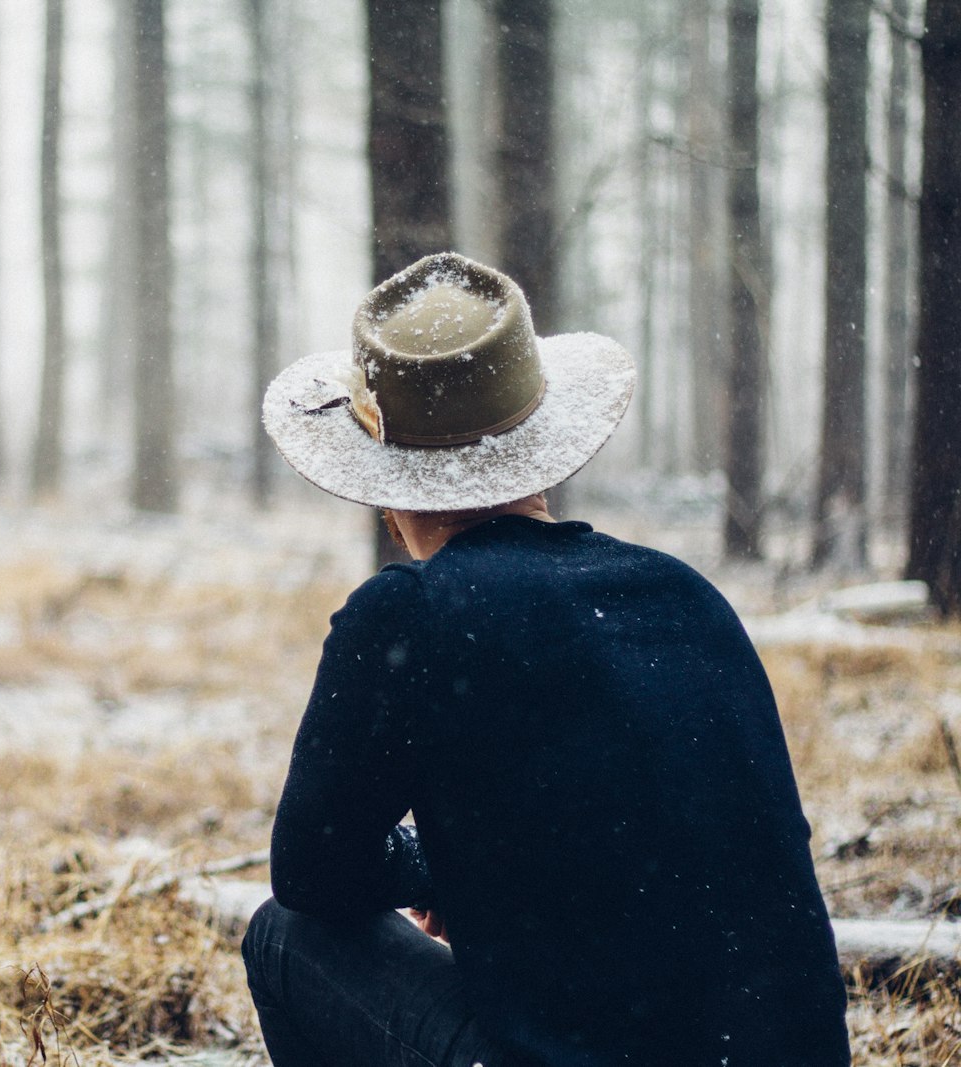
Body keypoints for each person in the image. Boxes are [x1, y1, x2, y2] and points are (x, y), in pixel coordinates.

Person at [243, 253, 850, 1067]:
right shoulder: (686, 594)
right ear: (539, 443)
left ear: (386, 487)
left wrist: (431, 867)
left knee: (283, 938)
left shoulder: (408, 615)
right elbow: (689, 837)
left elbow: (312, 872)